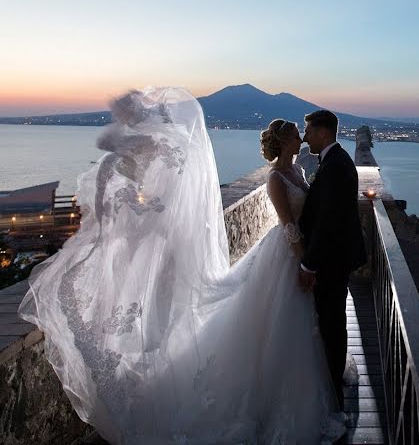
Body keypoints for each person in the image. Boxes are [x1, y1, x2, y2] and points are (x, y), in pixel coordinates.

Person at [19, 87, 357, 444]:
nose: (300, 136)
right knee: (280, 325)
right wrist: (304, 260)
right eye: (294, 131)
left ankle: (298, 389)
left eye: (301, 131)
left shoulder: (300, 174)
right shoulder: (275, 178)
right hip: (289, 254)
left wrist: (307, 260)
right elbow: (289, 225)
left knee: (295, 327)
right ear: (283, 140)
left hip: (299, 258)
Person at [298, 110, 368, 409]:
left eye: (309, 132)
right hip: (337, 257)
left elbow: (326, 222)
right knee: (333, 319)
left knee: (332, 321)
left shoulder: (335, 166)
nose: (305, 137)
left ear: (323, 133)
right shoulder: (336, 161)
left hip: (331, 260)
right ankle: (333, 376)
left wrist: (308, 264)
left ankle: (333, 384)